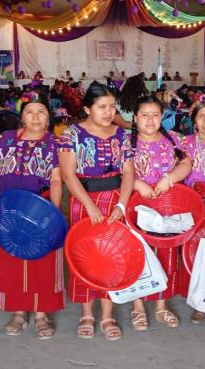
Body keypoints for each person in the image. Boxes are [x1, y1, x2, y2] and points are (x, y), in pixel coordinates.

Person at [0, 93, 64, 340]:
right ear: (22, 116)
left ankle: (41, 314)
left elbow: (57, 179)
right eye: (30, 111)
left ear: (48, 116)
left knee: (42, 260)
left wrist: (53, 212)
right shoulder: (5, 140)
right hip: (9, 206)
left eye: (41, 111)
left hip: (41, 207)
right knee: (12, 258)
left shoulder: (56, 143)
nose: (35, 116)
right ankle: (18, 312)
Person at [58, 83, 134, 341]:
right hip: (83, 201)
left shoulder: (122, 135)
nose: (108, 112)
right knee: (85, 256)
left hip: (114, 200)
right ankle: (87, 313)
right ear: (88, 108)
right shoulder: (72, 135)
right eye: (102, 107)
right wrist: (89, 206)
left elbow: (128, 173)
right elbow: (68, 175)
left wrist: (121, 205)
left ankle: (108, 314)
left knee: (112, 256)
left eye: (112, 107)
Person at [127, 95, 192, 331]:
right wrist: (137, 184)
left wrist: (170, 178)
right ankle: (138, 306)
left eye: (155, 115)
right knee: (138, 255)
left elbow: (186, 163)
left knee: (166, 256)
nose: (150, 120)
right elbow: (117, 172)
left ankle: (161, 306)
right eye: (145, 115)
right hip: (137, 206)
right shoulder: (126, 141)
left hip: (167, 207)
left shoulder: (173, 139)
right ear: (135, 117)